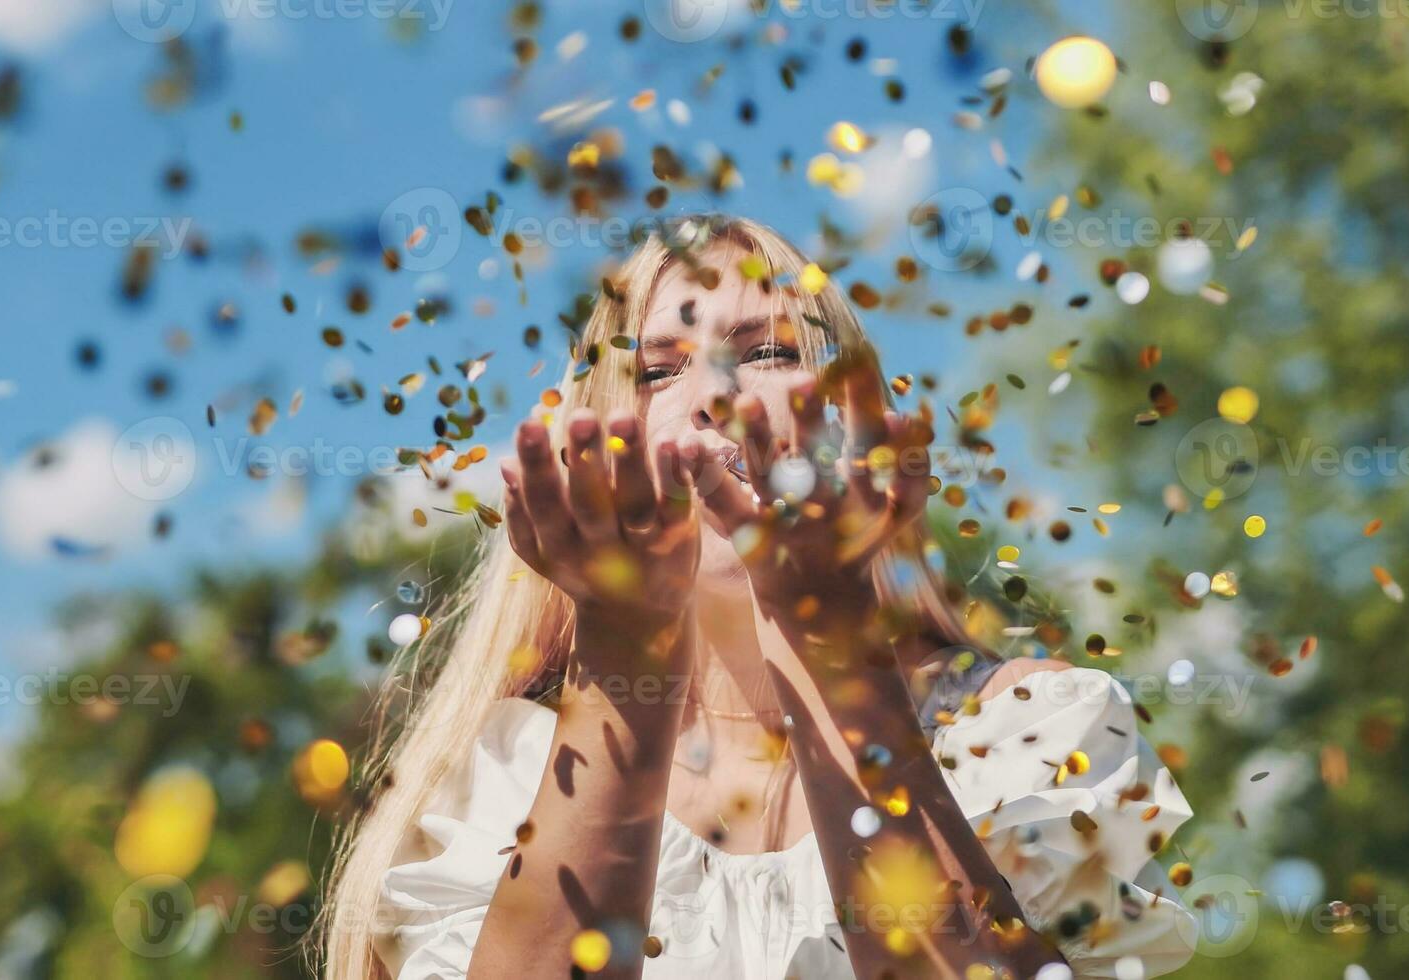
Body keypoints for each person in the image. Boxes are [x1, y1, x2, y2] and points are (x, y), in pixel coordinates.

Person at [323, 215, 1197, 979]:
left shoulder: (1033, 734)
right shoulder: (506, 780)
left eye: (771, 351)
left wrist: (828, 645)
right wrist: (623, 650)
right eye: (657, 371)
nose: (715, 397)